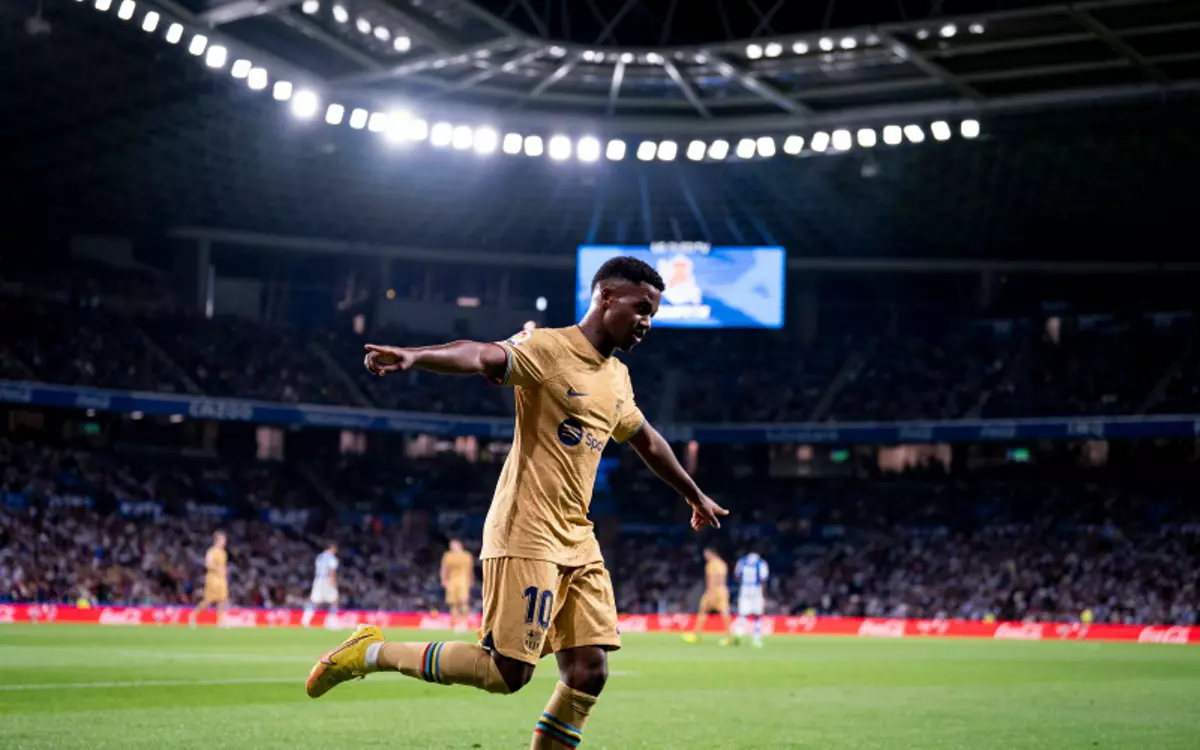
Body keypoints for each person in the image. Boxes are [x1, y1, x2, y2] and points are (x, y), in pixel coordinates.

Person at [306, 256, 728, 750]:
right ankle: (371, 652)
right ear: (606, 297)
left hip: (579, 539)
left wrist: (693, 494)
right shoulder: (549, 348)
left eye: (652, 314)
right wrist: (416, 356)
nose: (646, 323)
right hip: (527, 530)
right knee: (506, 672)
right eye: (640, 308)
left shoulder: (618, 377)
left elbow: (646, 439)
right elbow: (482, 355)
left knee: (590, 671)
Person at [681, 547, 732, 645]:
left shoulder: (711, 564)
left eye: (707, 554)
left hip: (713, 590)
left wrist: (710, 593)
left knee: (703, 611)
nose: (705, 556)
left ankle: (696, 634)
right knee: (725, 613)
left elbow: (711, 579)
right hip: (723, 590)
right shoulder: (722, 563)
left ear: (712, 553)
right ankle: (729, 636)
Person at [188, 531, 228, 628]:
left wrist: (224, 571)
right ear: (217, 540)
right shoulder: (211, 551)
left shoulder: (223, 553)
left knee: (221, 600)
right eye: (223, 539)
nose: (224, 542)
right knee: (208, 600)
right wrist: (218, 568)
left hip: (222, 579)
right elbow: (208, 564)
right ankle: (193, 615)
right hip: (213, 578)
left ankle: (220, 622)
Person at [734, 549, 770, 647]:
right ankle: (756, 638)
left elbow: (737, 576)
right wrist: (764, 596)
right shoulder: (761, 562)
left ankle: (739, 634)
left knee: (742, 614)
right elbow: (763, 580)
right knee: (757, 615)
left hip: (744, 588)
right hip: (756, 589)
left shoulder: (742, 561)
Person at [441, 539, 475, 633]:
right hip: (452, 580)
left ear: (459, 545)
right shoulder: (448, 556)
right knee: (453, 603)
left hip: (463, 580)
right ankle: (456, 624)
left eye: (454, 545)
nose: (452, 547)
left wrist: (471, 580)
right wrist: (444, 579)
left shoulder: (467, 556)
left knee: (463, 602)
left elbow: (470, 570)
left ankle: (464, 624)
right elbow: (444, 568)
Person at [302, 542, 339, 629]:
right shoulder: (332, 558)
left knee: (315, 601)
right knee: (334, 600)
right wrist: (333, 583)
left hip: (318, 580)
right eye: (335, 549)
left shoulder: (319, 557)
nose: (336, 551)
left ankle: (305, 620)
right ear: (331, 547)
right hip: (327, 580)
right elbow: (331, 571)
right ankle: (331, 622)